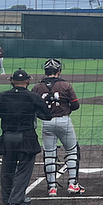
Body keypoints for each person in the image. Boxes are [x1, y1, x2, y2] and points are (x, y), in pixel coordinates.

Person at [0, 68, 51, 205]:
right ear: (27, 81)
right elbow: (47, 115)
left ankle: (7, 198)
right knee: (24, 168)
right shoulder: (33, 97)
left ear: (12, 81)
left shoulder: (2, 96)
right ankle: (16, 198)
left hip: (7, 137)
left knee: (7, 168)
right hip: (26, 137)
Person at [32, 58, 84, 196]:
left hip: (47, 123)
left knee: (49, 154)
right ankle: (73, 184)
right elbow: (76, 105)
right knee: (72, 151)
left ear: (45, 71)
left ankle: (52, 187)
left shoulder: (37, 87)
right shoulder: (66, 85)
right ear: (59, 71)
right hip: (64, 121)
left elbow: (33, 107)